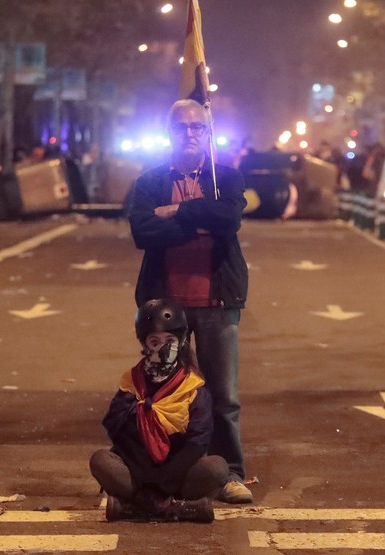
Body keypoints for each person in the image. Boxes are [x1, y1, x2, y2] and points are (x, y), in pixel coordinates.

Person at [127, 99, 252, 504]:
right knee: (164, 395)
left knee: (223, 396)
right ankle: (167, 474)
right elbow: (144, 231)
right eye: (182, 128)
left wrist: (177, 211)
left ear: (208, 132)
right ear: (170, 132)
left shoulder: (226, 178)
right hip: (165, 309)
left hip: (217, 299)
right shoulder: (150, 181)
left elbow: (228, 219)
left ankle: (229, 473)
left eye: (198, 127)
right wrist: (199, 220)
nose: (190, 134)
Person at [90, 299, 229, 522]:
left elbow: (197, 443)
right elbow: (121, 437)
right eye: (155, 340)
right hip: (138, 473)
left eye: (170, 340)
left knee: (217, 468)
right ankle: (175, 509)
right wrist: (147, 481)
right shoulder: (131, 383)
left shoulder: (192, 387)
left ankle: (137, 507)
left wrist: (163, 484)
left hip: (179, 475)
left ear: (181, 341)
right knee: (100, 460)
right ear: (144, 344)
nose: (162, 347)